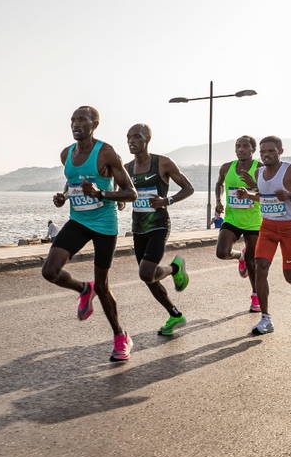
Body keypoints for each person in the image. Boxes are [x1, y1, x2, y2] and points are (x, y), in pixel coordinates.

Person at [41, 106, 137, 361]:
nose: (75, 124)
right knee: (49, 271)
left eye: (82, 120)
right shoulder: (67, 154)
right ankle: (84, 289)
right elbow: (73, 181)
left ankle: (120, 336)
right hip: (79, 221)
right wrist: (64, 196)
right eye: (72, 120)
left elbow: (131, 193)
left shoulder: (105, 153)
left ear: (94, 124)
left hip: (105, 225)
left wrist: (101, 193)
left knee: (104, 287)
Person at [235, 136, 291, 335]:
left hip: (289, 229)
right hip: (267, 228)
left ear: (280, 151)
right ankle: (266, 319)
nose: (266, 155)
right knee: (260, 266)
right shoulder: (259, 172)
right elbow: (264, 197)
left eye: (271, 151)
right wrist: (248, 196)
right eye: (263, 152)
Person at [124, 124, 194, 336]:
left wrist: (167, 200)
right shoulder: (126, 168)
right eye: (128, 137)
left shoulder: (162, 162)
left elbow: (188, 188)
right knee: (148, 278)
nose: (131, 141)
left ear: (147, 139)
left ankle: (175, 268)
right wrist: (119, 202)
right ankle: (174, 314)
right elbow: (123, 194)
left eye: (136, 137)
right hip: (138, 228)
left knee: (145, 272)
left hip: (159, 225)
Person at [214, 135, 263, 313]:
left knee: (253, 261)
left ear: (252, 150)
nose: (240, 149)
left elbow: (266, 191)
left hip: (254, 221)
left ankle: (256, 295)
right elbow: (219, 184)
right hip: (232, 218)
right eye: (237, 146)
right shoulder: (227, 167)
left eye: (244, 146)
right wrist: (218, 201)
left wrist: (251, 191)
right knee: (221, 252)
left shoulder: (260, 168)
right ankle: (238, 256)